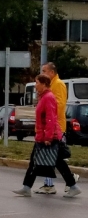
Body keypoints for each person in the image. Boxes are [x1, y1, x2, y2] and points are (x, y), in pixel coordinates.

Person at [14, 74, 81, 197]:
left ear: (44, 84)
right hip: (43, 136)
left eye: (37, 83)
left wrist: (48, 138)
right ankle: (27, 187)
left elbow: (51, 118)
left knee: (56, 162)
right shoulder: (44, 97)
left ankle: (72, 186)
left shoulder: (48, 97)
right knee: (37, 161)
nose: (35, 85)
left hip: (49, 137)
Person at [37, 62, 71, 193]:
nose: (42, 73)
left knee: (54, 157)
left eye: (44, 71)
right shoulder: (51, 85)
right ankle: (51, 183)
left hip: (57, 127)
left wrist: (47, 111)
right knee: (52, 157)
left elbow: (60, 105)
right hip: (49, 127)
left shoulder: (59, 84)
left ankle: (70, 180)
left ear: (52, 72)